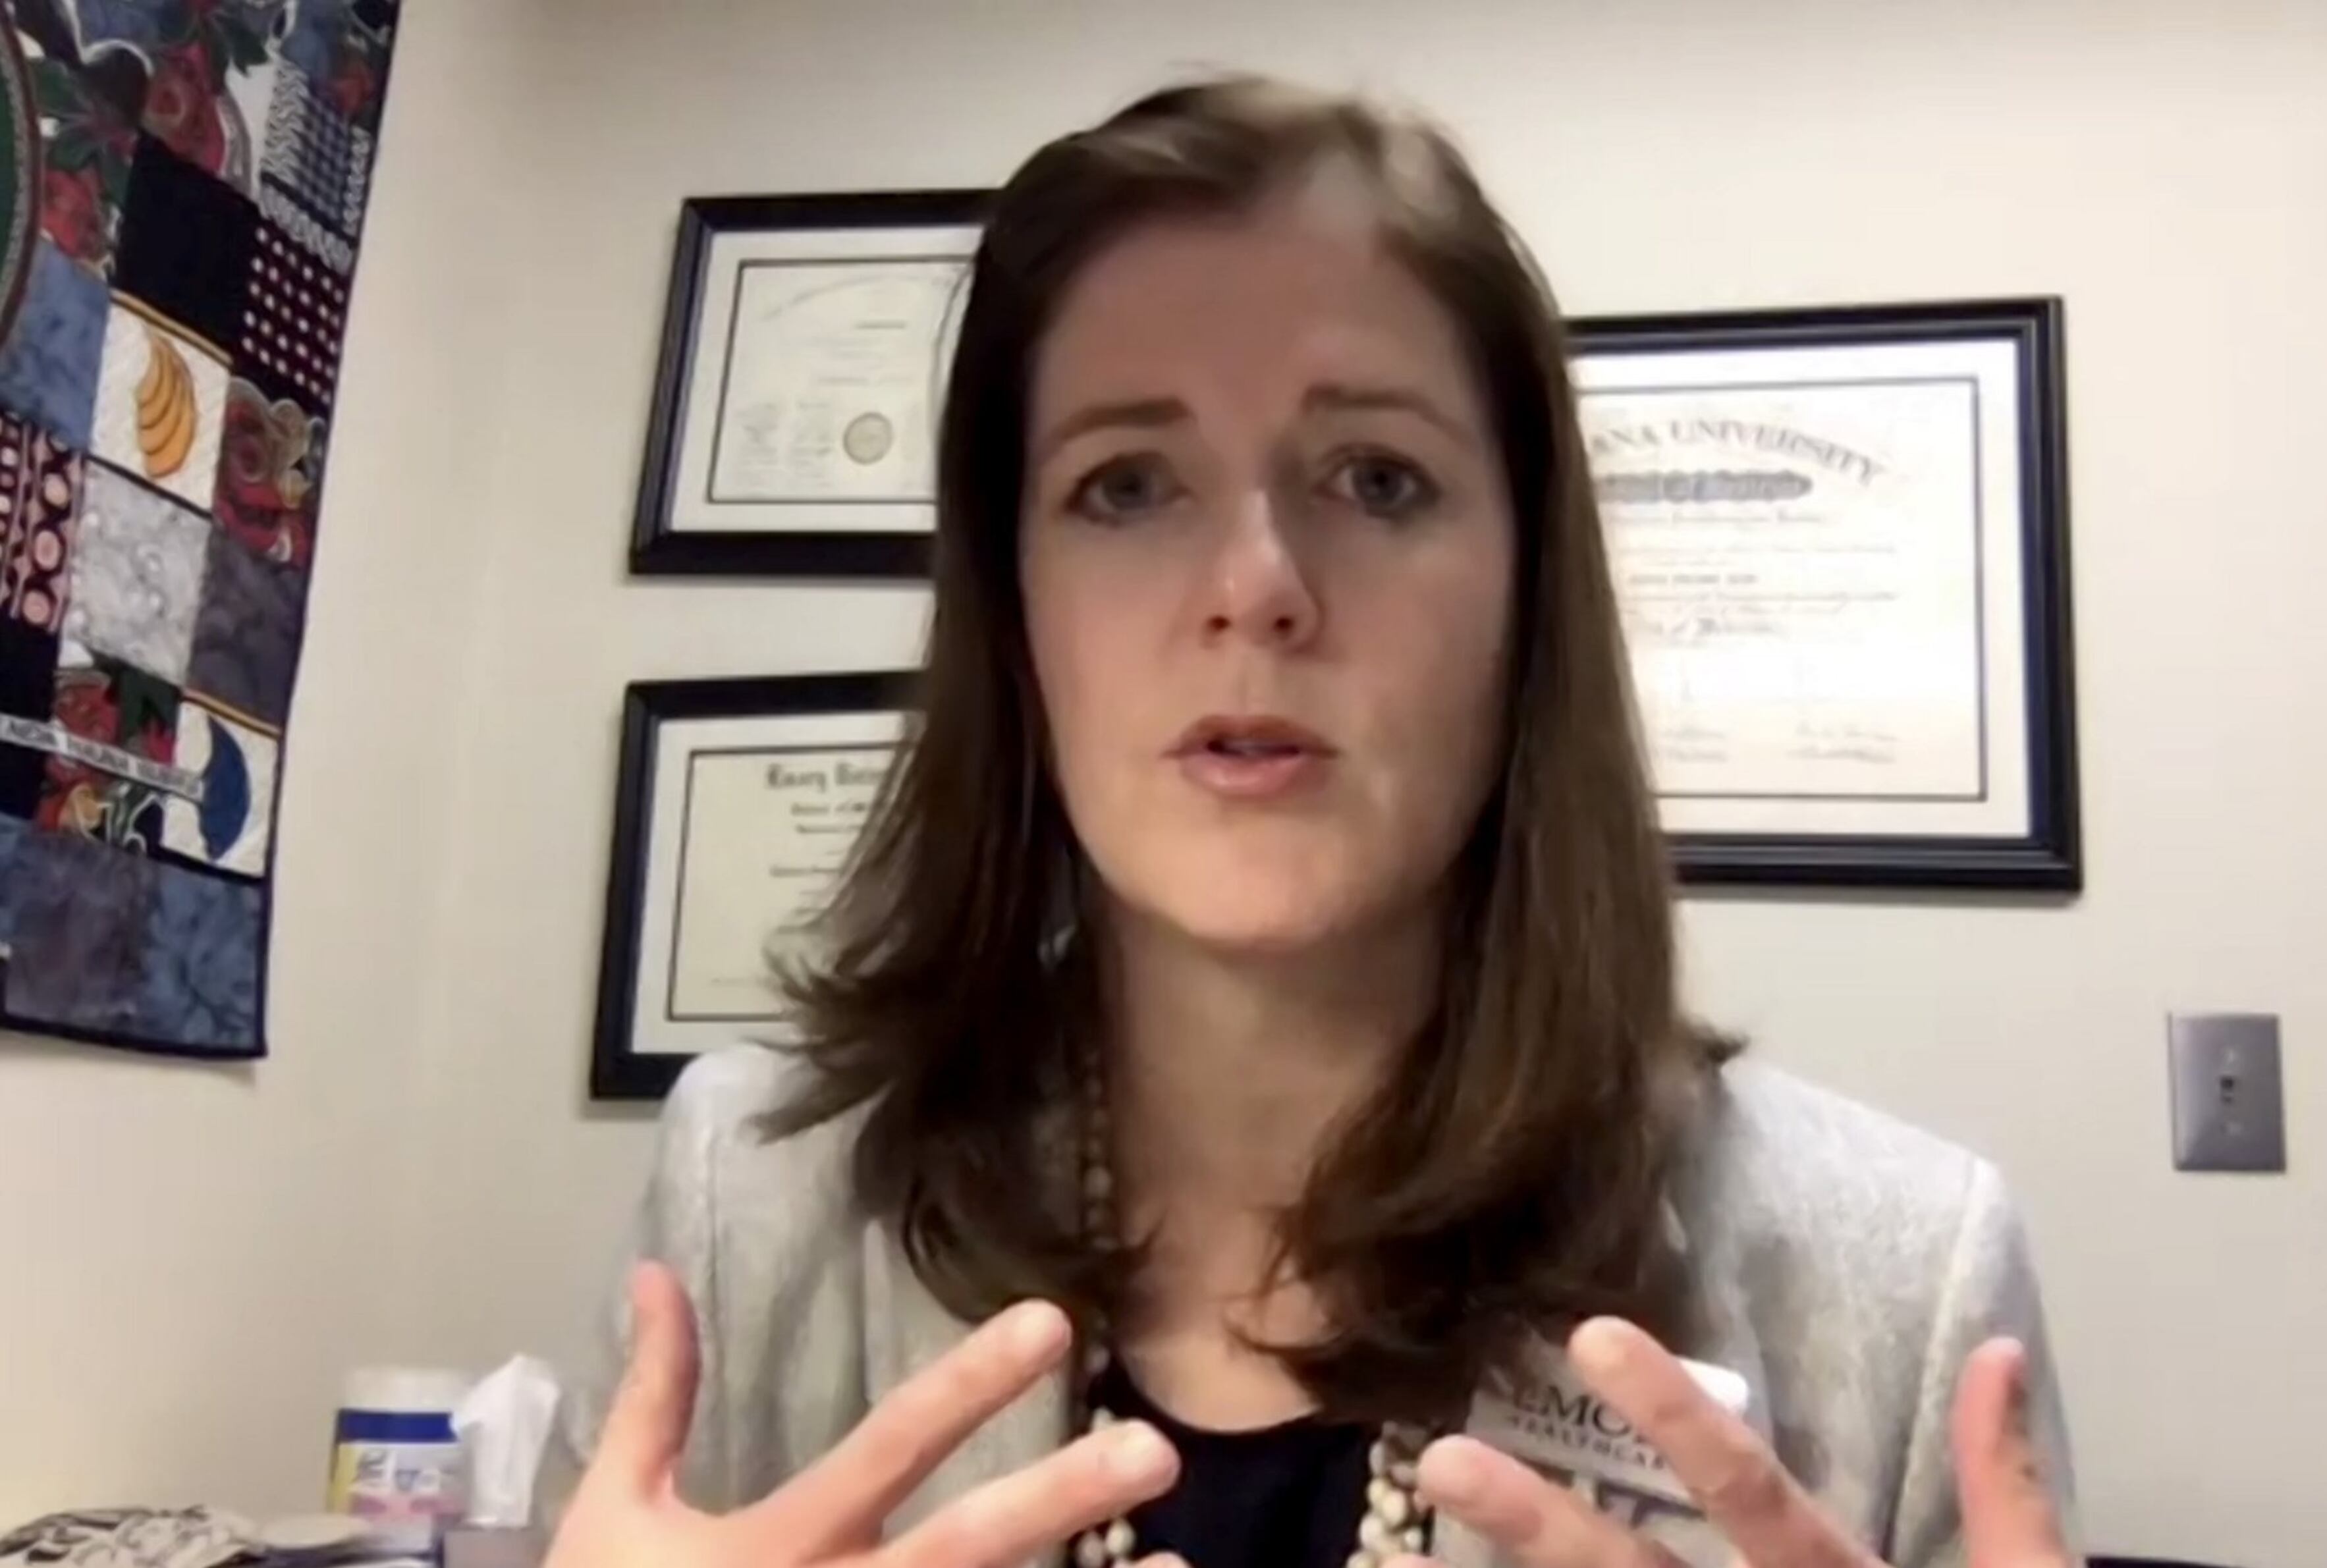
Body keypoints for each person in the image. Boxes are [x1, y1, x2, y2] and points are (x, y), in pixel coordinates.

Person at [551, 76, 2078, 1568]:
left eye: (1378, 479)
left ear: (1528, 598)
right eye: (1126, 485)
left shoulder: (1907, 1281)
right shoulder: (751, 1204)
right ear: (1016, 616)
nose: (1256, 587)